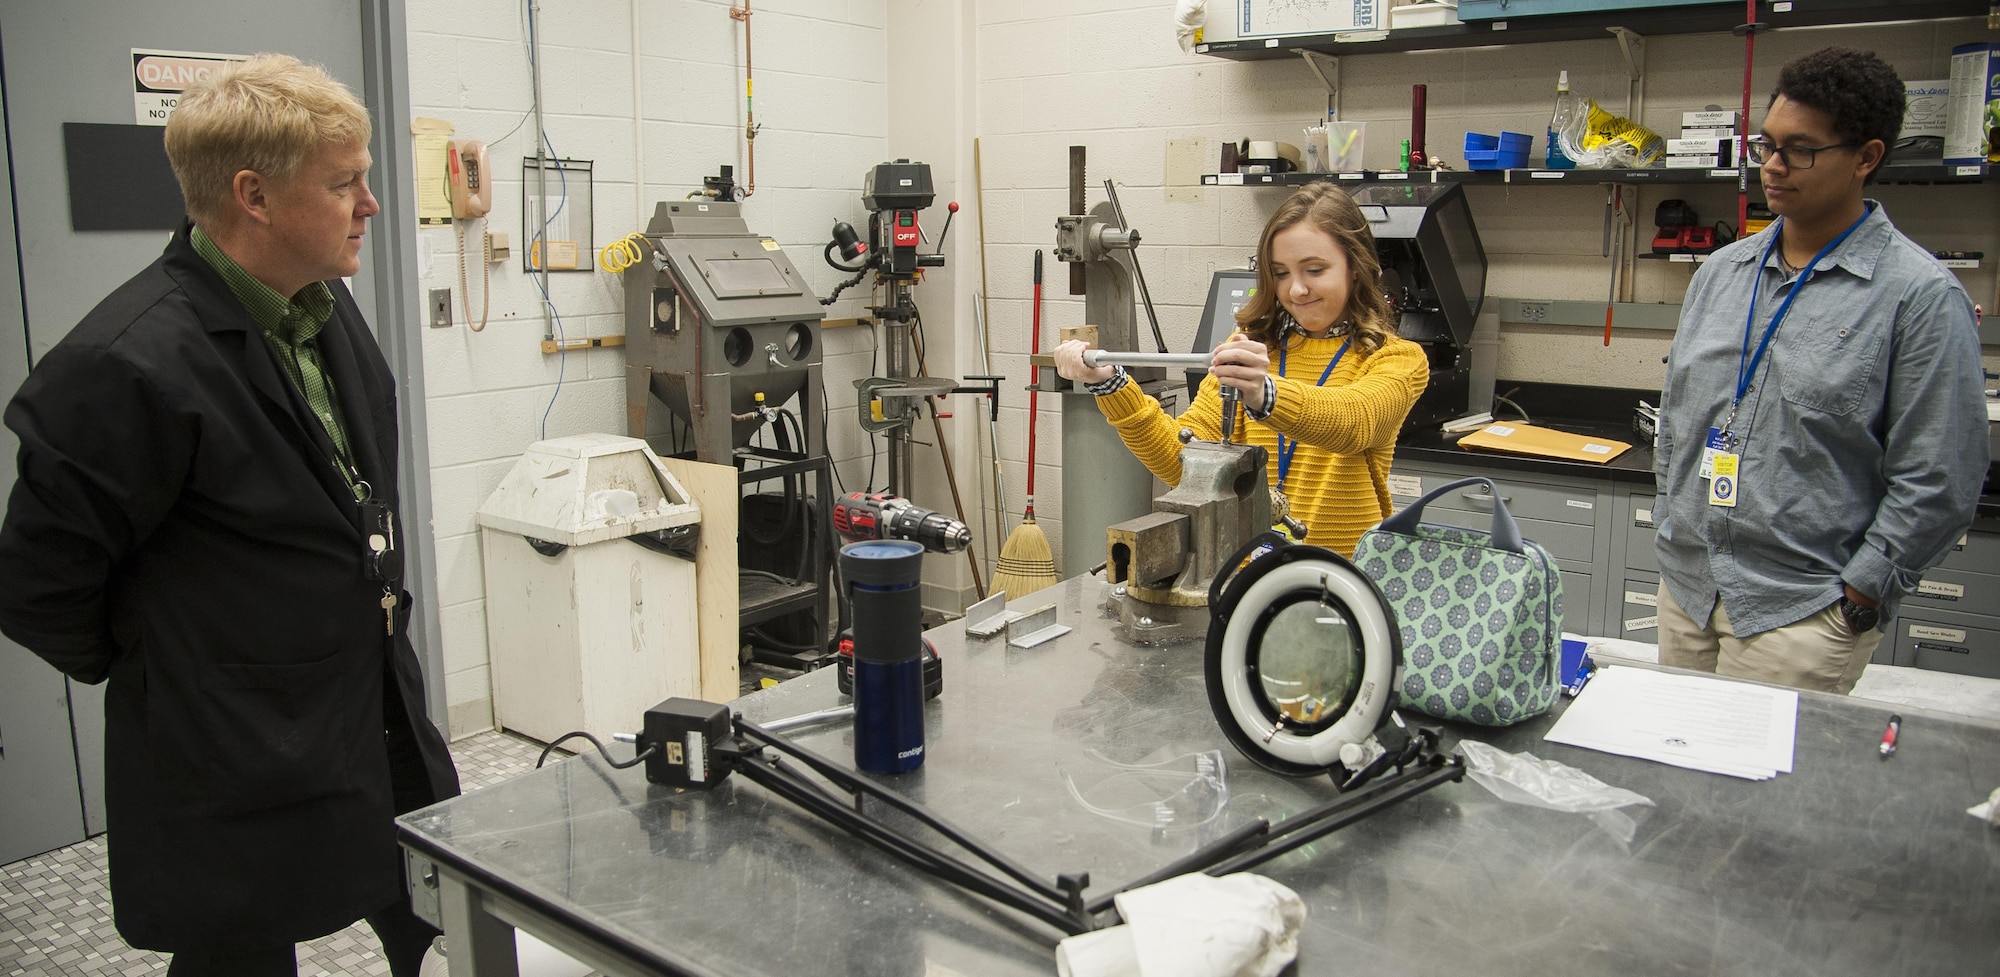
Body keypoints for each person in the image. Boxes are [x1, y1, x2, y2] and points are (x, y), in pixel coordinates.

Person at [0, 54, 458, 974]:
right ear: (254, 195)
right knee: (238, 952)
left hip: (366, 706)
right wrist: (177, 670)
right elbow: (35, 586)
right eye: (345, 184)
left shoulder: (323, 309)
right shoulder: (126, 365)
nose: (371, 204)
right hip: (227, 749)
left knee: (433, 908)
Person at [1654, 47, 1987, 694]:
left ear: (1866, 157)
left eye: (1799, 150)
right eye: (1767, 145)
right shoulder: (1722, 273)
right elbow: (1678, 416)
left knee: (1761, 796)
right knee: (1676, 785)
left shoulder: (1918, 296)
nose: (1772, 168)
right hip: (1689, 590)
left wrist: (1863, 591)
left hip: (1800, 611)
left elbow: (1941, 475)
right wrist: (1672, 522)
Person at [1053, 182, 1428, 557]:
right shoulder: (1249, 350)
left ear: (1356, 269)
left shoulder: (1396, 359)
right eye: (1280, 273)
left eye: (1315, 270)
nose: (1296, 290)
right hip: (1250, 578)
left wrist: (1264, 394)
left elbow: (1354, 422)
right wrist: (1111, 386)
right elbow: (1183, 463)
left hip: (1343, 581)